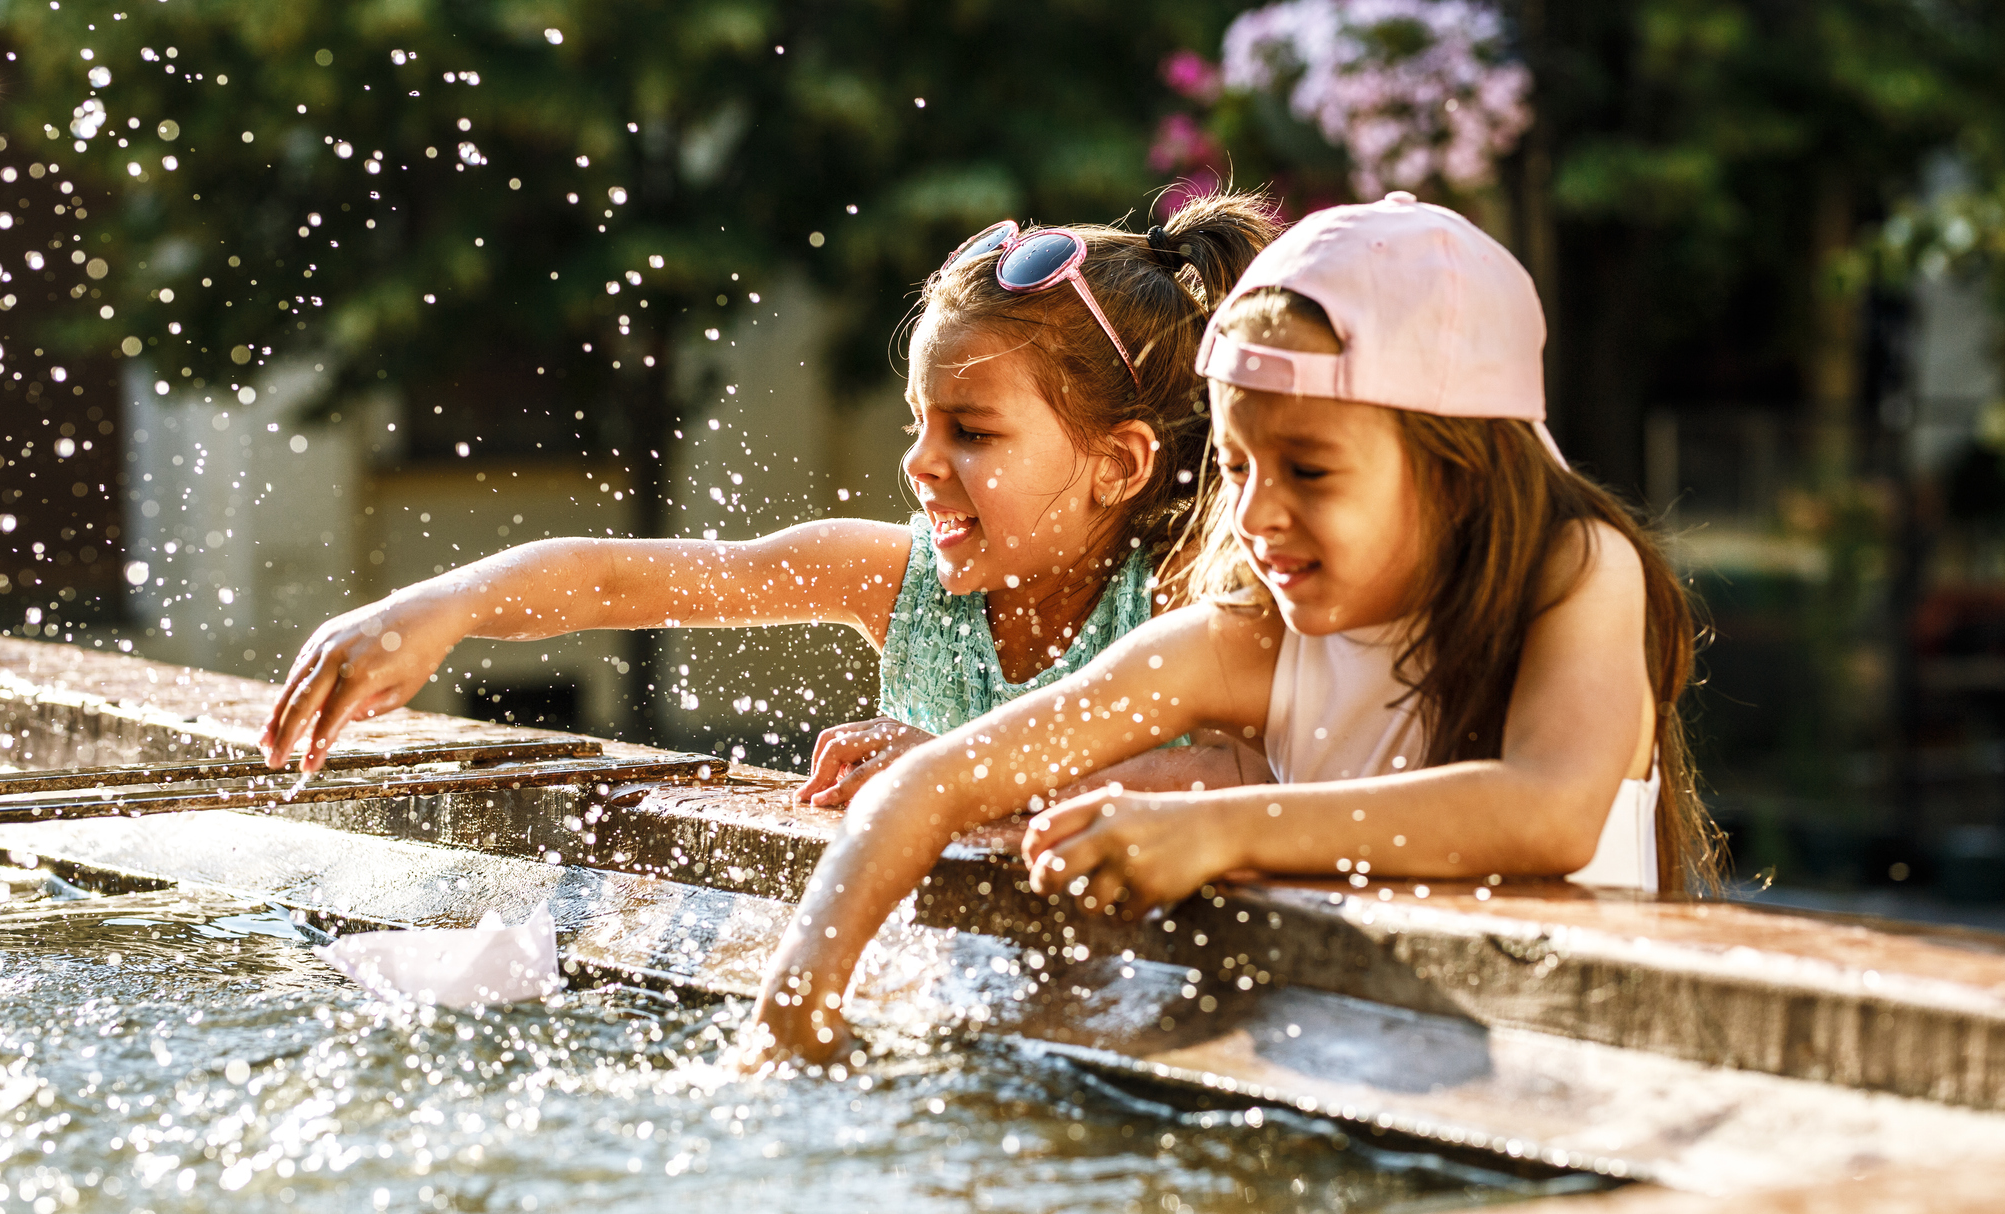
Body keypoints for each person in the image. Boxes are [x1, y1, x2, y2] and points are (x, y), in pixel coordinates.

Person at [742, 192, 1721, 1066]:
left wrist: (1215, 831)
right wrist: (792, 1011)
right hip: (1355, 1093)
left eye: (1311, 470)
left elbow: (1545, 809)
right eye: (1241, 465)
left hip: (1591, 1098)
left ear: (1456, 469)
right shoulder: (1254, 638)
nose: (1255, 513)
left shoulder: (1578, 572)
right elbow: (935, 780)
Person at [256, 193, 1282, 781]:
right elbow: (624, 583)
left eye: (971, 431)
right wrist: (445, 605)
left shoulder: (1191, 614)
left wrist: (948, 770)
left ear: (1119, 463)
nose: (922, 464)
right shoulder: (904, 587)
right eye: (918, 423)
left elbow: (1223, 790)